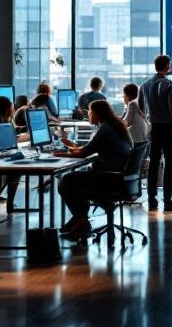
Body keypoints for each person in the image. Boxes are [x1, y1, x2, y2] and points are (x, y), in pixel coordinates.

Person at [55, 100, 133, 240]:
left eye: (90, 112)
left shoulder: (105, 129)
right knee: (73, 179)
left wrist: (58, 154)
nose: (89, 115)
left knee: (65, 181)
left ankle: (80, 219)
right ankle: (81, 220)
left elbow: (84, 153)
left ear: (96, 113)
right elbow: (88, 150)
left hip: (110, 179)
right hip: (121, 179)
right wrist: (71, 147)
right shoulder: (116, 126)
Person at [138, 54, 172, 213]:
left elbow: (140, 108)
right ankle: (168, 201)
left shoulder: (144, 85)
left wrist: (150, 118)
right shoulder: (168, 83)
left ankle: (152, 199)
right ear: (167, 66)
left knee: (154, 163)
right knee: (170, 164)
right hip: (167, 128)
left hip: (154, 128)